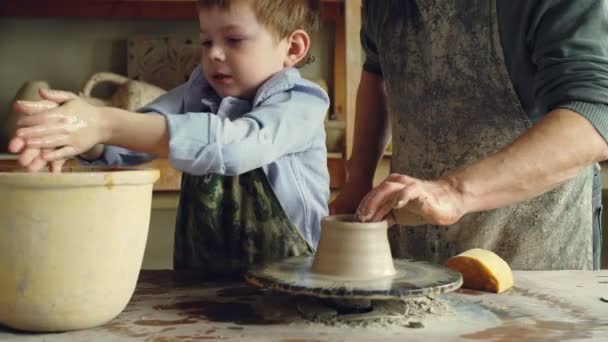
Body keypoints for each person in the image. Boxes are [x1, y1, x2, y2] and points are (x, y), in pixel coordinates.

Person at [9, 0, 330, 277]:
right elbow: (132, 135)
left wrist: (103, 122)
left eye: (234, 39)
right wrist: (79, 133)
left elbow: (233, 147)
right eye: (206, 41)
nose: (215, 53)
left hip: (291, 286)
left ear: (293, 48)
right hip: (201, 286)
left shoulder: (300, 103)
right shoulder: (197, 93)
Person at [330, 0, 608, 270]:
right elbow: (378, 70)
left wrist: (453, 191)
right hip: (414, 246)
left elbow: (595, 114)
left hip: (531, 254)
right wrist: (358, 182)